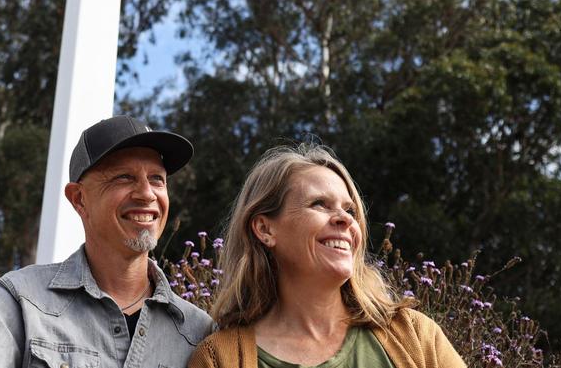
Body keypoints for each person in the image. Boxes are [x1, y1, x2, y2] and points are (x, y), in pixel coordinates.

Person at [0, 115, 214, 368]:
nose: (147, 194)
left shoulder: (199, 333)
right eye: (124, 177)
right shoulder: (22, 300)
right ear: (79, 199)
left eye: (157, 179)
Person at [189, 144, 465, 368]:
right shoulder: (220, 359)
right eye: (319, 204)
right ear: (264, 228)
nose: (345, 219)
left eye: (350, 210)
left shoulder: (414, 336)